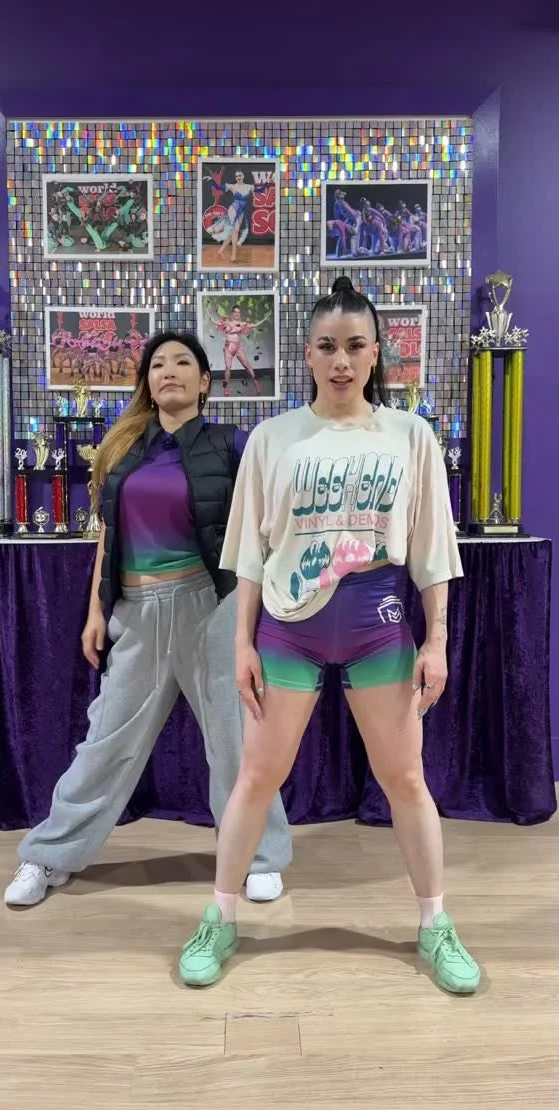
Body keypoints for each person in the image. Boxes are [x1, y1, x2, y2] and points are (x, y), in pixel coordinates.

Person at [178, 278, 480, 995]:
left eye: (354, 346)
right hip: (288, 627)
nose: (341, 360)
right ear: (307, 355)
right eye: (326, 347)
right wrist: (242, 644)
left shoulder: (411, 436)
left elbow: (433, 552)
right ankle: (220, 918)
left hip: (380, 623)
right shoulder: (272, 439)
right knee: (256, 777)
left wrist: (436, 641)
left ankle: (435, 923)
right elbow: (250, 555)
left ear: (375, 354)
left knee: (406, 779)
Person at [4, 331, 291, 907]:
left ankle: (258, 857)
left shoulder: (231, 445)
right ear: (148, 382)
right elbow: (109, 537)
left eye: (183, 362)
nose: (170, 371)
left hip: (210, 608)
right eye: (158, 364)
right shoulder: (125, 451)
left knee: (235, 741)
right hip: (136, 613)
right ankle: (48, 855)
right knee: (105, 743)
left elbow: (267, 527)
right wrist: (96, 612)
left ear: (205, 381)